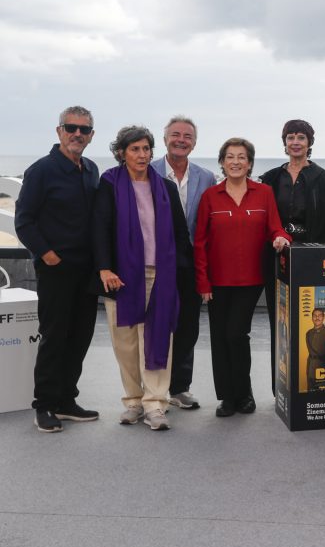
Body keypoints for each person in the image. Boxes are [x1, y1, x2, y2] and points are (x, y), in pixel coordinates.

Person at [93, 126, 192, 431]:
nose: (141, 155)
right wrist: (105, 268)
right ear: (121, 153)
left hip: (160, 275)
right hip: (122, 277)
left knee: (158, 336)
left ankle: (155, 403)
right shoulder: (110, 183)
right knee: (126, 343)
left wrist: (181, 274)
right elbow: (100, 227)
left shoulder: (165, 187)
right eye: (134, 149)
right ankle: (134, 402)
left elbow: (180, 234)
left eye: (146, 149)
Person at [14, 106, 101, 433]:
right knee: (55, 337)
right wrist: (48, 256)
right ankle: (45, 405)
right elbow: (24, 221)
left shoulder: (91, 170)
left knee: (80, 338)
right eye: (71, 127)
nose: (77, 134)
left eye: (84, 129)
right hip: (56, 271)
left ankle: (66, 400)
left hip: (87, 271)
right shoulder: (41, 171)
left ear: (91, 135)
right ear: (59, 131)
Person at [194, 138, 291, 418]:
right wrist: (202, 281)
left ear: (249, 163)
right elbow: (200, 242)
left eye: (241, 157)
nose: (235, 162)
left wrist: (281, 238)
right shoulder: (210, 196)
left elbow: (275, 228)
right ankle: (227, 397)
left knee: (236, 334)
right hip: (216, 281)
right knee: (219, 337)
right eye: (230, 157)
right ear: (222, 162)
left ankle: (244, 393)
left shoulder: (264, 193)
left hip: (251, 279)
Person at [259, 119, 325, 393]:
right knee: (280, 322)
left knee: (312, 321)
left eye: (301, 137)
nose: (295, 142)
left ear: (309, 143)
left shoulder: (323, 178)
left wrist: (320, 252)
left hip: (312, 261)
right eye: (290, 137)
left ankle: (310, 384)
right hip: (276, 260)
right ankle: (281, 388)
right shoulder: (270, 178)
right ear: (284, 142)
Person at [151, 115, 217, 411]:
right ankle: (153, 389)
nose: (181, 140)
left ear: (194, 143)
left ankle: (179, 387)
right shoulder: (148, 171)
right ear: (165, 139)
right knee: (155, 324)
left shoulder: (206, 177)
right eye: (175, 135)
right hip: (155, 260)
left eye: (187, 136)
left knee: (188, 325)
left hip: (191, 261)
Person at [305, 308, 325, 392]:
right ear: (312, 318)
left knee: (322, 391)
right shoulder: (308, 333)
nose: (317, 318)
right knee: (310, 389)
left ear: (323, 317)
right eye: (315, 316)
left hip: (323, 365)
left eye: (319, 316)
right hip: (311, 365)